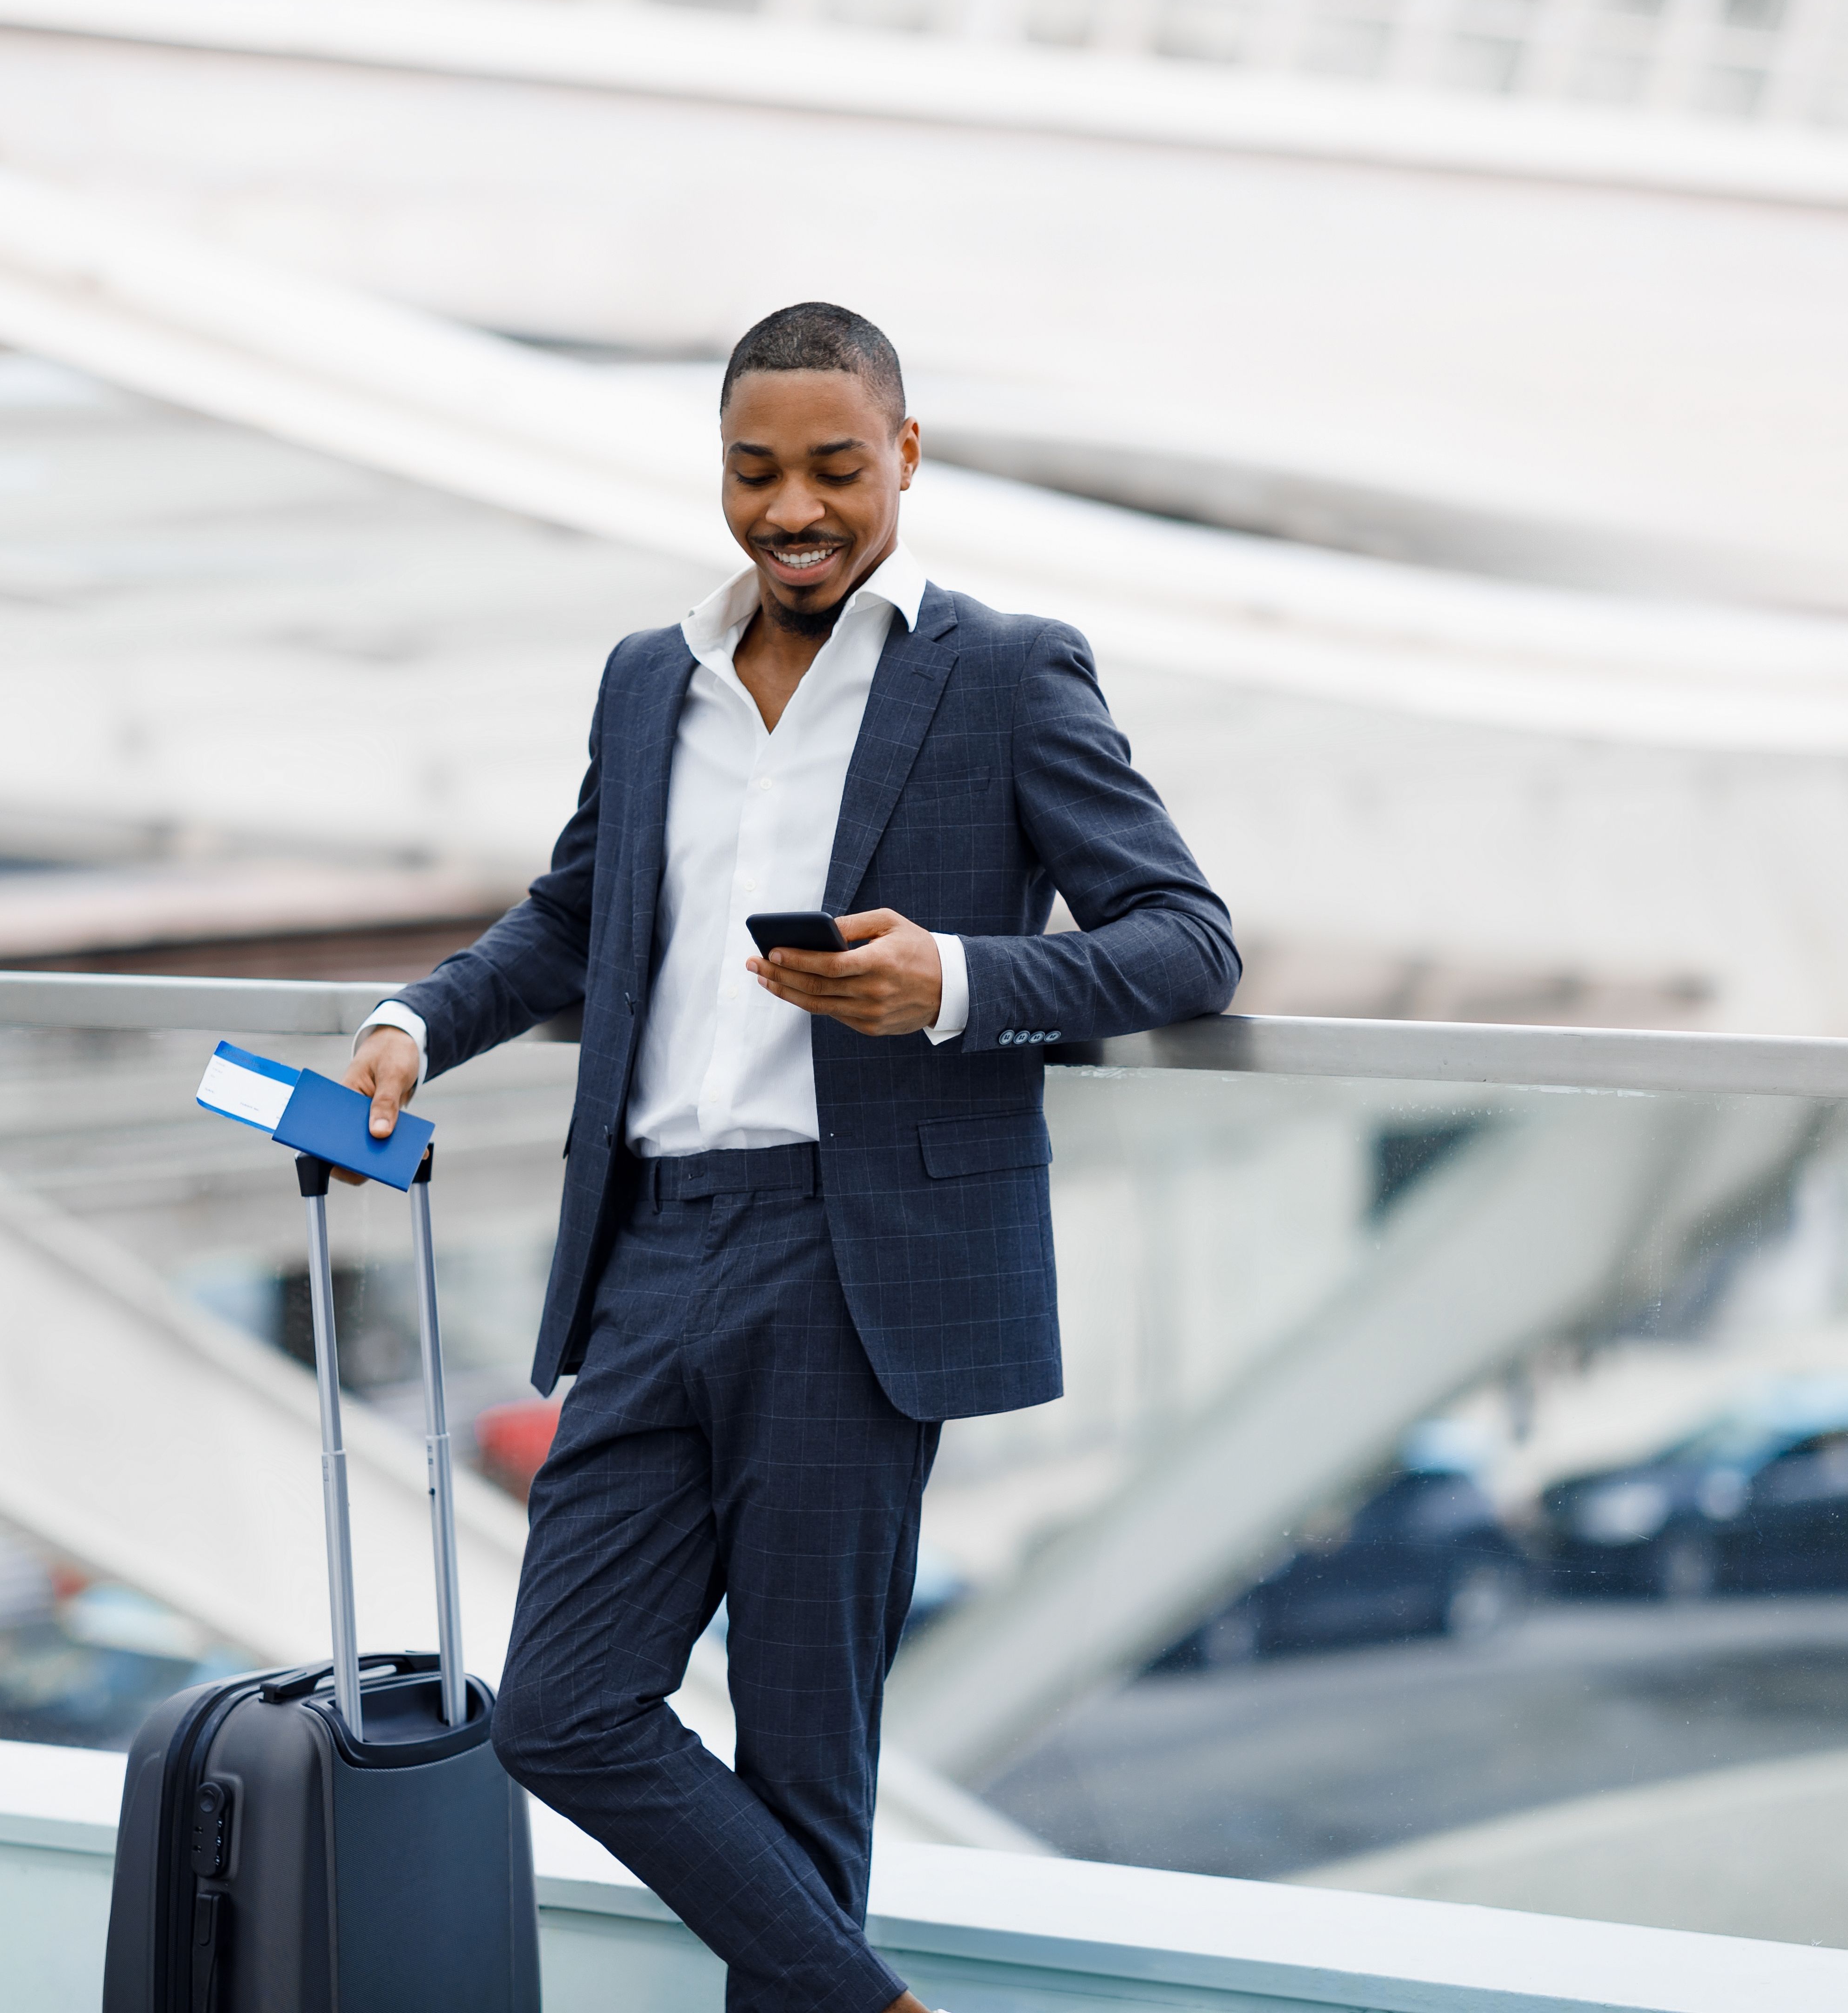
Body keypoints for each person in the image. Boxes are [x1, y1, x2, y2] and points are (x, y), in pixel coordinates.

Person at [340, 302, 1240, 2013]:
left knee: (808, 1759)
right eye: (756, 472)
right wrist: (415, 1021)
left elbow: (1185, 941)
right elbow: (573, 918)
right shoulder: (646, 680)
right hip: (655, 1246)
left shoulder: (1005, 672)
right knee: (561, 1706)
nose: (794, 509)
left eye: (836, 468)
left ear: (907, 456)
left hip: (857, 1266)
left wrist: (953, 981)